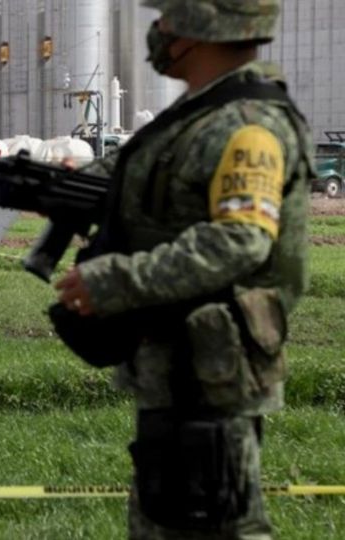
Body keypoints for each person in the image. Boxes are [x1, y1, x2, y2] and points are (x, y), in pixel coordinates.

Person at [53, 1, 313, 538]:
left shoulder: (249, 126)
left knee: (215, 524)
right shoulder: (195, 115)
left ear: (202, 25)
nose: (160, 28)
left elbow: (239, 241)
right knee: (165, 518)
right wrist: (49, 185)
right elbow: (139, 184)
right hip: (176, 366)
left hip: (214, 371)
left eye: (170, 15)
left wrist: (115, 281)